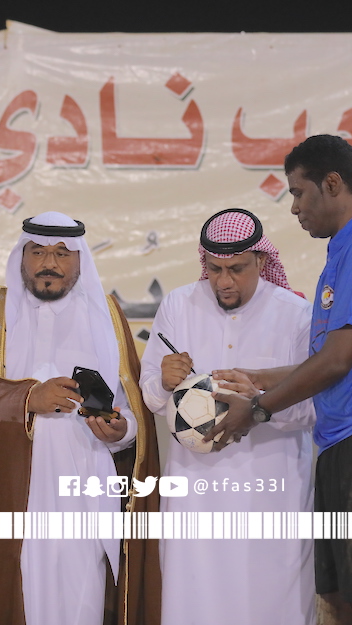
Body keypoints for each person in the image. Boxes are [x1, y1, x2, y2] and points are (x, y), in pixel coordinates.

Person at [213, 135, 352, 625]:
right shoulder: (347, 246)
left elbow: (336, 362)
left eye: (298, 192)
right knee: (336, 595)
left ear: (332, 184)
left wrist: (257, 410)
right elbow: (328, 358)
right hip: (346, 438)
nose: (294, 207)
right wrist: (255, 378)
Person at [0, 211, 161, 625]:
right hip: (9, 495)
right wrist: (27, 397)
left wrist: (120, 431)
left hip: (85, 491)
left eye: (62, 253)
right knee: (18, 592)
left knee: (82, 598)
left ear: (80, 259)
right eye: (38, 252)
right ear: (21, 257)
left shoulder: (106, 315)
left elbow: (132, 411)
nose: (49, 263)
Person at [139, 208, 316, 625]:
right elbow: (149, 397)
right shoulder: (179, 305)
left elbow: (313, 407)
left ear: (261, 260)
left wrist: (260, 406)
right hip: (195, 496)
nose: (224, 281)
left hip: (272, 495)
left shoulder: (296, 314)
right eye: (215, 269)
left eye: (236, 269)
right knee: (194, 600)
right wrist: (163, 381)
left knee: (272, 603)